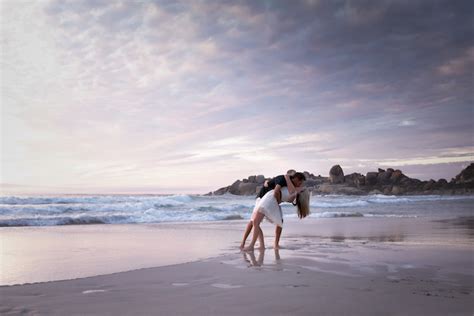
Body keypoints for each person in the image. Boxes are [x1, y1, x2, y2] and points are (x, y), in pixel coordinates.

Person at [240, 172, 309, 251]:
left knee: (274, 221)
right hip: (263, 197)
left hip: (271, 198)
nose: (300, 185)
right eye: (300, 182)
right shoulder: (283, 179)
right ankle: (248, 243)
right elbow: (276, 191)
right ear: (296, 179)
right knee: (253, 221)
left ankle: (270, 245)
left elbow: (288, 193)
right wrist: (279, 200)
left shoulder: (290, 185)